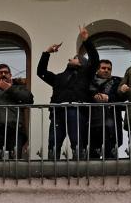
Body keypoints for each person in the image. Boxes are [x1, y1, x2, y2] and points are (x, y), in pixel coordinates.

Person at [37, 25, 98, 159]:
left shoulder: (86, 75)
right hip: (57, 111)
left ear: (82, 64)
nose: (70, 59)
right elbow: (41, 72)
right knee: (54, 141)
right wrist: (47, 53)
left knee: (76, 140)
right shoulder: (59, 77)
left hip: (76, 109)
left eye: (75, 58)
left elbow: (94, 60)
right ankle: (53, 162)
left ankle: (78, 160)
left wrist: (86, 40)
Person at [88, 59, 124, 159]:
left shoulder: (117, 82)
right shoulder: (89, 81)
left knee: (111, 156)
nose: (106, 70)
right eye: (103, 68)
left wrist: (109, 98)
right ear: (97, 69)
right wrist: (93, 97)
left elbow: (122, 98)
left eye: (109, 69)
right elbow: (83, 95)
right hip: (92, 122)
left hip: (111, 122)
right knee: (93, 156)